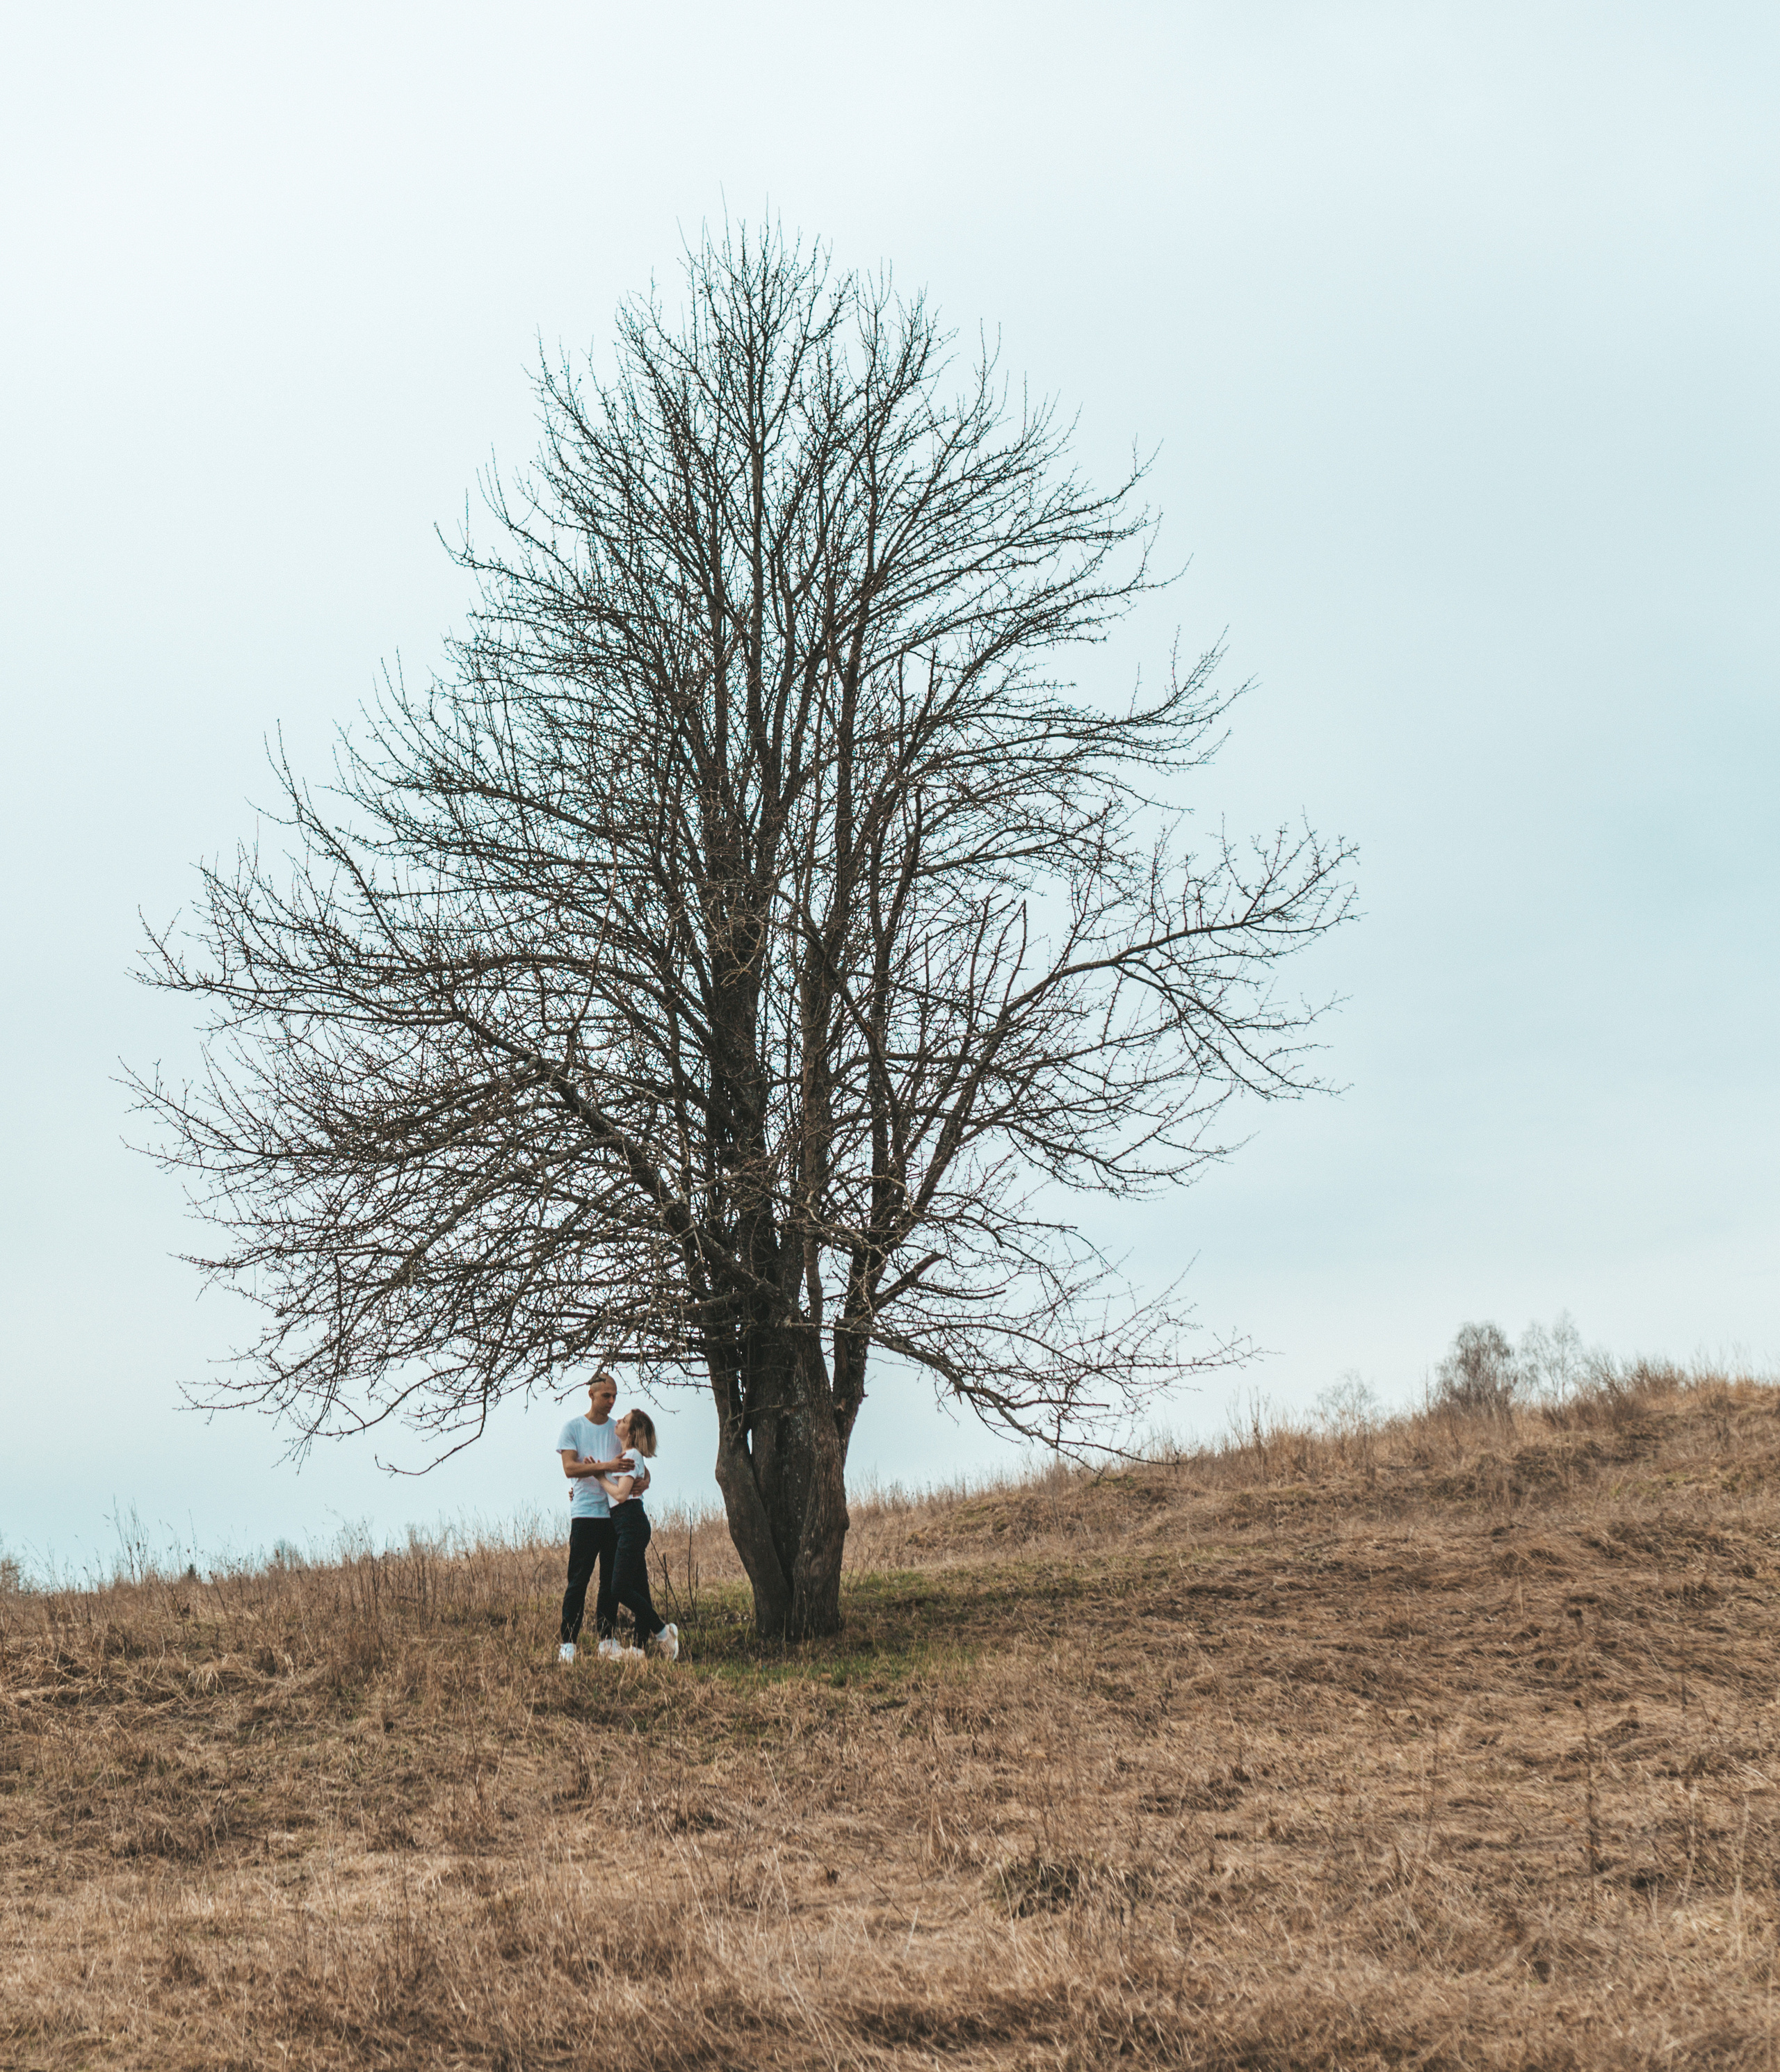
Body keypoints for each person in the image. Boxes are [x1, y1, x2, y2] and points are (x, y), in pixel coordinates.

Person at [554, 1370, 647, 1665]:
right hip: (584, 1514)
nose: (611, 1402)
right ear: (591, 1393)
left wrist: (645, 1480)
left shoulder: (617, 1429)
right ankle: (568, 1643)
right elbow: (570, 1468)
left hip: (614, 1517)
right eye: (607, 1395)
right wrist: (605, 1466)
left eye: (615, 1396)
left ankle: (607, 1640)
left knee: (609, 1581)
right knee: (578, 1580)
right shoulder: (573, 1428)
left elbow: (637, 1460)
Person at [598, 1407, 679, 1662]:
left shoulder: (631, 1454)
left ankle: (663, 1632)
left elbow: (621, 1495)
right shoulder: (626, 1454)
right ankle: (638, 1649)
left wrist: (600, 1477)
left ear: (632, 1433)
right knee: (641, 1590)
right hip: (628, 1524)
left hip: (630, 1522)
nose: (618, 1421)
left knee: (619, 1588)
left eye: (624, 1421)